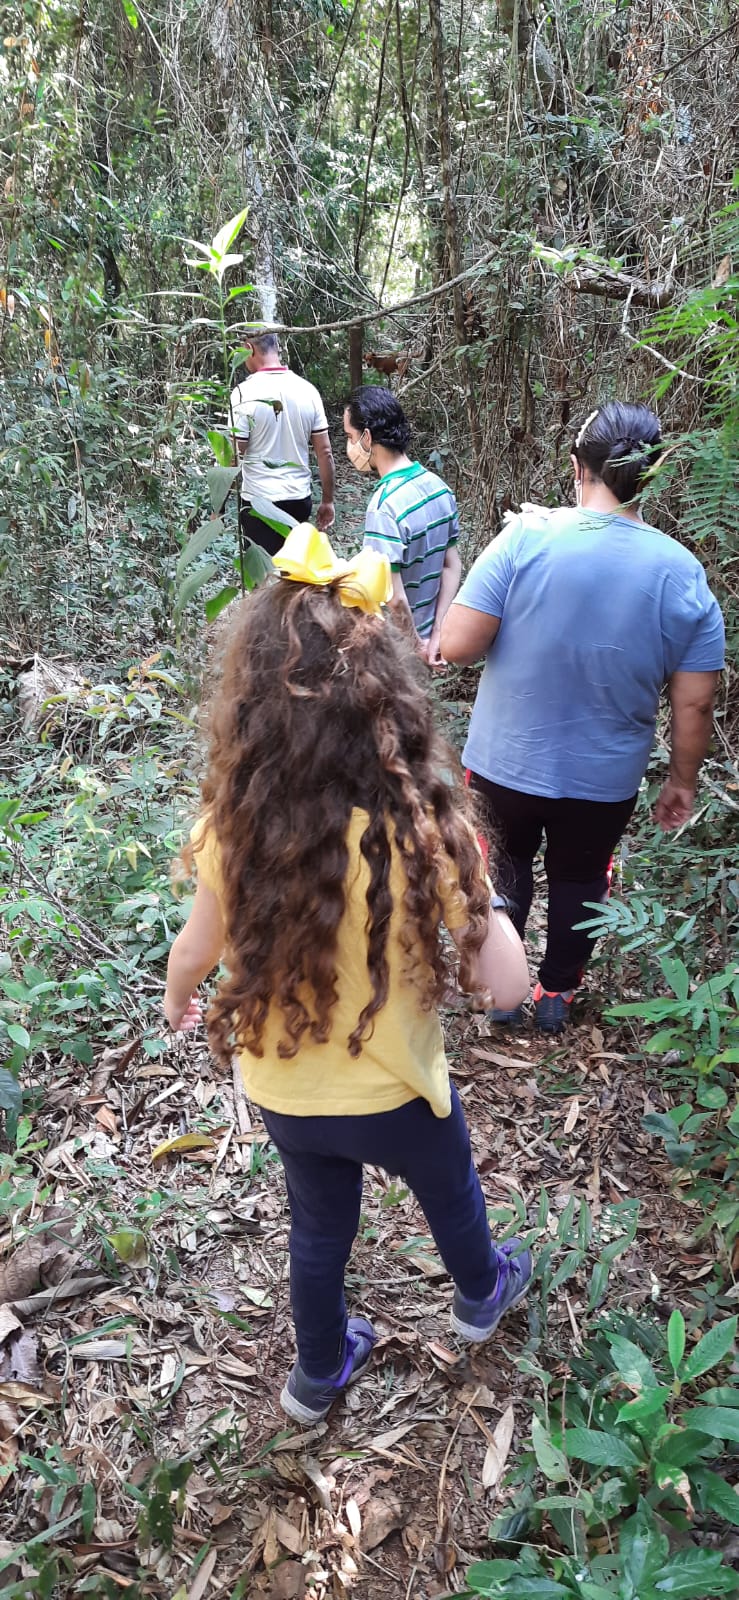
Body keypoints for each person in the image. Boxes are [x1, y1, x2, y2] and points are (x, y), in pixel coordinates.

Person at [163, 525, 531, 1424]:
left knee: (319, 1231)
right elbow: (513, 986)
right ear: (391, 704)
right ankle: (481, 1294)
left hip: (287, 1090)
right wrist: (488, 909)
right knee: (452, 1196)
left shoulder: (236, 829)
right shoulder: (420, 831)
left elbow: (195, 949)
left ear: (252, 703)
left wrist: (179, 995)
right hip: (400, 1093)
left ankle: (315, 1374)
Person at [441, 401, 725, 1036]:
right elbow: (695, 701)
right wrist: (681, 781)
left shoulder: (526, 537)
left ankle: (502, 990)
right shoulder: (682, 573)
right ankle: (556, 993)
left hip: (503, 762)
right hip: (604, 778)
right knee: (580, 874)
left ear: (577, 469)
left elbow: (458, 645)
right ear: (649, 479)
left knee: (503, 867)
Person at [343, 386, 462, 666]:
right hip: (430, 642)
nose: (348, 447)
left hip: (395, 651)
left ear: (367, 437)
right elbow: (451, 565)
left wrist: (414, 646)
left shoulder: (384, 507)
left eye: (350, 436)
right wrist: (437, 633)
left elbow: (392, 597)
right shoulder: (440, 489)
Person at [229, 332, 335, 556]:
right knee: (293, 572)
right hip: (298, 499)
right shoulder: (308, 390)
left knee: (264, 578)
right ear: (277, 347)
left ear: (250, 348)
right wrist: (328, 501)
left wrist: (219, 504)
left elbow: (234, 455)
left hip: (259, 504)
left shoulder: (243, 393)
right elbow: (324, 452)